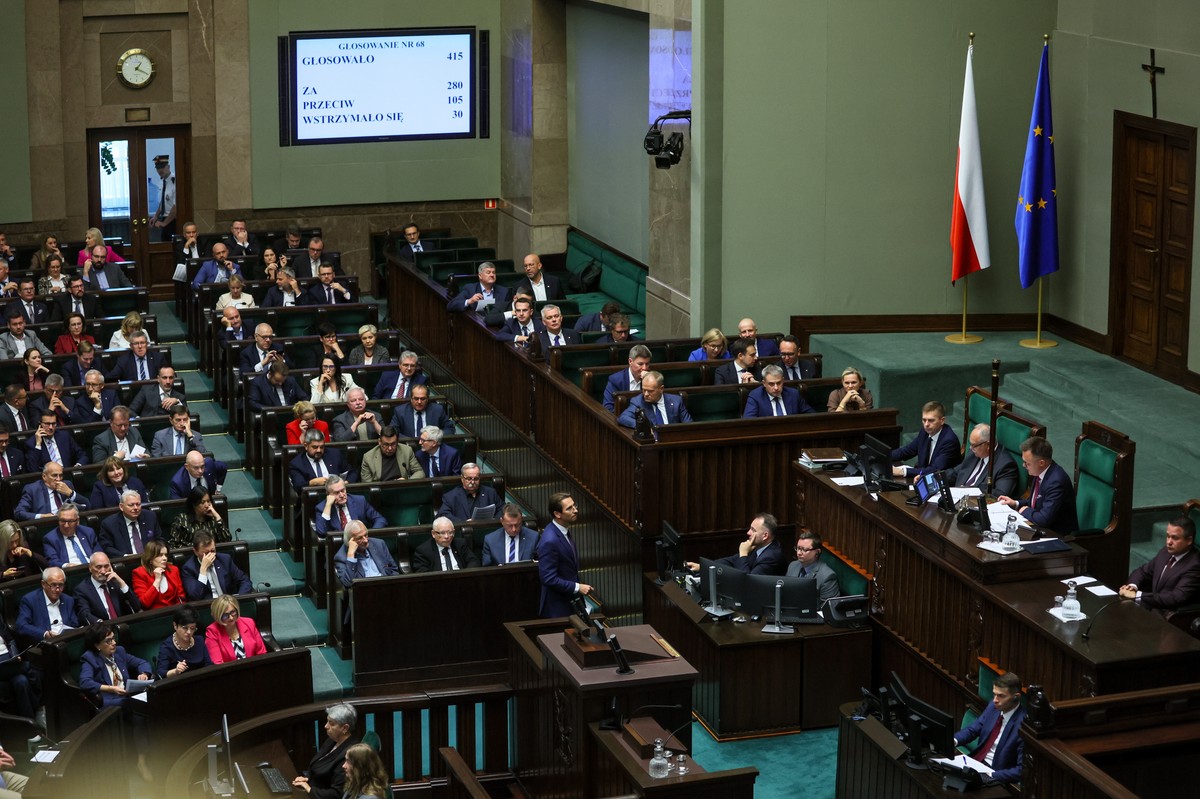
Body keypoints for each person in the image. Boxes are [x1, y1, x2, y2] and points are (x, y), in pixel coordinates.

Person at [78, 622, 153, 781]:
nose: (113, 643)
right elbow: (84, 682)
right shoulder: (90, 658)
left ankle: (143, 760)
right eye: (108, 641)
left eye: (113, 639)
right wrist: (110, 689)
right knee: (139, 709)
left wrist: (144, 673)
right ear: (97, 645)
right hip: (110, 702)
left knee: (144, 710)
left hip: (127, 698)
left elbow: (142, 663)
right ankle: (140, 762)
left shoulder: (119, 652)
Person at [952, 671, 1026, 784]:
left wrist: (992, 775)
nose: (995, 700)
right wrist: (954, 740)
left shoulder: (1023, 726)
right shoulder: (993, 706)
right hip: (975, 763)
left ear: (1016, 697)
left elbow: (1021, 770)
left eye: (1001, 696)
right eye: (994, 694)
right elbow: (973, 730)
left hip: (995, 775)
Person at [995, 437, 1078, 533]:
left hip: (1057, 536)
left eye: (1027, 463)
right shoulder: (1040, 471)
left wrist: (1025, 511)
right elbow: (1036, 503)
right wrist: (1016, 504)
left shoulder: (1056, 482)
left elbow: (1044, 519)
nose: (1024, 465)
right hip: (1039, 529)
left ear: (1041, 463)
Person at [1119, 517, 1200, 614]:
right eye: (1167, 536)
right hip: (1151, 609)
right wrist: (1132, 587)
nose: (1169, 542)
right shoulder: (1165, 553)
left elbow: (1176, 597)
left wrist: (1137, 595)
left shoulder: (1195, 565)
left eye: (1174, 538)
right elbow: (1142, 571)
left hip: (1171, 619)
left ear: (1189, 540)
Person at [536, 493, 591, 617]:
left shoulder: (562, 530)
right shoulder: (550, 540)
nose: (575, 510)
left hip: (569, 603)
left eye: (574, 506)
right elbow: (548, 578)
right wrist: (577, 587)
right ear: (557, 514)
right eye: (569, 508)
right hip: (558, 608)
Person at [685, 513, 786, 576]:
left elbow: (748, 582)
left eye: (753, 530)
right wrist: (703, 567)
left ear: (765, 536)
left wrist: (743, 554)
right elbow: (731, 561)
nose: (748, 533)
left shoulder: (772, 557)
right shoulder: (758, 547)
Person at [293, 703, 360, 798]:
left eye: (331, 723)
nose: (326, 726)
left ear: (345, 728)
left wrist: (309, 789)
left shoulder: (350, 753)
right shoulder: (332, 740)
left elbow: (336, 794)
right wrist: (307, 779)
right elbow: (318, 767)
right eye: (327, 721)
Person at [890, 401, 962, 479]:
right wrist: (885, 457)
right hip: (922, 478)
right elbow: (908, 450)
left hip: (941, 483)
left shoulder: (949, 441)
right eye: (924, 420)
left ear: (942, 420)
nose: (926, 424)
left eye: (931, 420)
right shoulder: (925, 432)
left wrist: (902, 471)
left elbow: (935, 470)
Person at [945, 424, 1019, 497]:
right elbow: (955, 473)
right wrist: (936, 479)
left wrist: (969, 491)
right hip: (956, 498)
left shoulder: (1006, 465)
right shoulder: (974, 453)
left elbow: (1000, 494)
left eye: (974, 445)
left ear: (988, 445)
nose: (970, 448)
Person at [15, 567, 79, 646]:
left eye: (61, 585)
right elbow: (21, 626)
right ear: (43, 584)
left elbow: (74, 624)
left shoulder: (68, 600)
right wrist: (45, 634)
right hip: (45, 645)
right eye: (53, 585)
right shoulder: (30, 600)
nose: (58, 589)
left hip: (66, 642)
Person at [72, 552, 141, 623]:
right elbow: (85, 614)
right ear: (90, 568)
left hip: (123, 626)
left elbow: (136, 607)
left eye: (106, 566)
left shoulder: (115, 583)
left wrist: (122, 583)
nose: (103, 571)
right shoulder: (82, 590)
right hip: (102, 630)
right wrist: (101, 625)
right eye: (98, 567)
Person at [181, 529, 249, 600]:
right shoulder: (188, 568)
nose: (211, 555)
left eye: (213, 550)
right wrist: (203, 570)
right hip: (208, 607)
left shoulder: (225, 559)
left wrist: (238, 599)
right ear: (195, 552)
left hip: (228, 604)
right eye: (206, 553)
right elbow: (195, 595)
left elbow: (244, 581)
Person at [334, 521, 400, 590]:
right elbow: (348, 583)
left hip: (386, 589)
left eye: (366, 535)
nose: (365, 540)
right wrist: (351, 555)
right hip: (365, 594)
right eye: (360, 538)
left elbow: (394, 570)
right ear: (350, 541)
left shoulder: (379, 544)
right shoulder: (340, 557)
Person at [315, 476, 387, 538]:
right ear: (328, 494)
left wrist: (369, 536)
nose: (342, 495)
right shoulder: (322, 508)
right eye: (337, 493)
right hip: (339, 547)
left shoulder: (359, 501)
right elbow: (321, 532)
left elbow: (380, 519)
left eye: (343, 490)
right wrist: (328, 506)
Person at [617, 371, 692, 429]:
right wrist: (643, 427)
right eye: (644, 390)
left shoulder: (676, 401)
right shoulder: (638, 401)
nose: (646, 394)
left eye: (650, 391)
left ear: (661, 389)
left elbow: (689, 424)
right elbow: (623, 418)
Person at [205, 594, 267, 664]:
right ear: (218, 616)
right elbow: (218, 663)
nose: (231, 618)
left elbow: (261, 653)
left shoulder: (249, 623)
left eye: (233, 612)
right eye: (225, 615)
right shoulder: (212, 631)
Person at [289, 429, 357, 492]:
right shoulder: (297, 463)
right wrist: (312, 482)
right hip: (313, 500)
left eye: (321, 447)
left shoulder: (335, 455)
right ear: (306, 446)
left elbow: (352, 473)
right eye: (315, 447)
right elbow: (297, 486)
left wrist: (345, 483)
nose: (319, 450)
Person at [168, 486, 233, 551]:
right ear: (194, 504)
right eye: (203, 502)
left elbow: (226, 541)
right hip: (189, 557)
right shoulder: (182, 520)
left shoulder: (213, 520)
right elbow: (173, 545)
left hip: (212, 556)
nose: (207, 505)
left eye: (208, 501)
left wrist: (218, 517)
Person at [15, 462, 85, 521]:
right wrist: (41, 517)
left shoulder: (67, 485)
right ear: (44, 476)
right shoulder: (32, 489)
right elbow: (19, 512)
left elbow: (87, 505)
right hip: (47, 526)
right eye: (54, 475)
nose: (58, 479)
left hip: (68, 522)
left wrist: (70, 493)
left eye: (60, 475)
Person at [156, 605, 212, 678]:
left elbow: (209, 665)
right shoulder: (167, 647)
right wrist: (175, 671)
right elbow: (161, 673)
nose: (189, 632)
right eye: (185, 628)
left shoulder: (200, 640)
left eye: (192, 628)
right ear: (175, 625)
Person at [785, 530, 841, 600]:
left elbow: (827, 608)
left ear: (817, 552)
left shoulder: (827, 577)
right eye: (798, 548)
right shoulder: (793, 566)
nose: (799, 553)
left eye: (804, 550)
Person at [437, 463, 502, 522]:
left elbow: (503, 508)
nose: (473, 482)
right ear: (462, 478)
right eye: (469, 479)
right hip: (463, 532)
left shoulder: (490, 493)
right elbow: (443, 514)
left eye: (476, 479)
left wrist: (494, 520)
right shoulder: (451, 497)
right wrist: (464, 523)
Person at [412, 516, 481, 572]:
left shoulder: (460, 544)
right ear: (433, 534)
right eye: (442, 533)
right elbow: (422, 573)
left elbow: (474, 561)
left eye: (450, 532)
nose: (447, 536)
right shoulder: (423, 551)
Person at [742, 364, 816, 417]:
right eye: (771, 384)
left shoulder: (793, 394)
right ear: (764, 383)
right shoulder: (756, 396)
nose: (776, 388)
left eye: (778, 383)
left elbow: (811, 415)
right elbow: (749, 421)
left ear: (783, 380)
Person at [40, 504, 98, 569]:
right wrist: (66, 565)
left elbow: (99, 553)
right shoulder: (50, 539)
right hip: (70, 572)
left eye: (70, 521)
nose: (66, 525)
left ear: (77, 521)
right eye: (63, 521)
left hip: (94, 569)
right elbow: (52, 561)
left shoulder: (88, 532)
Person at [131, 541, 184, 610]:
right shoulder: (139, 573)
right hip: (155, 615)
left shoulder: (174, 570)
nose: (165, 558)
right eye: (160, 555)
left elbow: (181, 596)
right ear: (150, 558)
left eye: (165, 555)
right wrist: (157, 580)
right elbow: (144, 603)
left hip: (176, 612)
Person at [359, 426, 424, 482]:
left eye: (393, 444)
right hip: (380, 493)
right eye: (386, 444)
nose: (390, 448)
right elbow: (367, 484)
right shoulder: (368, 457)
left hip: (402, 490)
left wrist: (406, 482)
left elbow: (419, 472)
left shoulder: (407, 451)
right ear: (379, 442)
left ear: (397, 441)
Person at [603, 344, 651, 412]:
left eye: (647, 364)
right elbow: (608, 408)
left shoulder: (652, 379)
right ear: (630, 361)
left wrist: (649, 380)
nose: (645, 368)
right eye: (640, 364)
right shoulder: (616, 380)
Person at [150, 155, 177, 238]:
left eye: (162, 167)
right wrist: (156, 216)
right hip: (164, 218)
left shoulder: (175, 181)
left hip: (173, 221)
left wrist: (165, 223)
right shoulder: (162, 182)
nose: (160, 170)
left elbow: (176, 206)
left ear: (168, 167)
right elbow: (163, 202)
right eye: (158, 168)